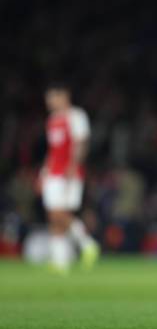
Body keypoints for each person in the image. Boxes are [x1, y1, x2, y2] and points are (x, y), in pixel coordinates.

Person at [41, 82, 99, 273]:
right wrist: (44, 171)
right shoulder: (51, 119)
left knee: (61, 213)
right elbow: (52, 150)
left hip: (69, 172)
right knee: (53, 215)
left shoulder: (76, 116)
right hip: (53, 172)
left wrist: (73, 166)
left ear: (64, 96)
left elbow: (81, 142)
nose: (49, 101)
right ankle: (60, 260)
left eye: (52, 97)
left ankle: (87, 244)